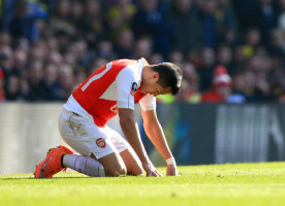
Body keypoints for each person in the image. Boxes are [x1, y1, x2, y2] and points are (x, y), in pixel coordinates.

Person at [34, 58, 183, 178]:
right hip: (75, 119)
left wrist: (170, 161)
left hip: (95, 124)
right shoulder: (130, 74)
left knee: (135, 170)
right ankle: (61, 158)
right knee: (116, 171)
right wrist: (147, 163)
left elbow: (151, 124)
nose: (155, 95)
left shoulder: (146, 82)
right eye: (157, 91)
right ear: (154, 76)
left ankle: (85, 159)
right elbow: (126, 122)